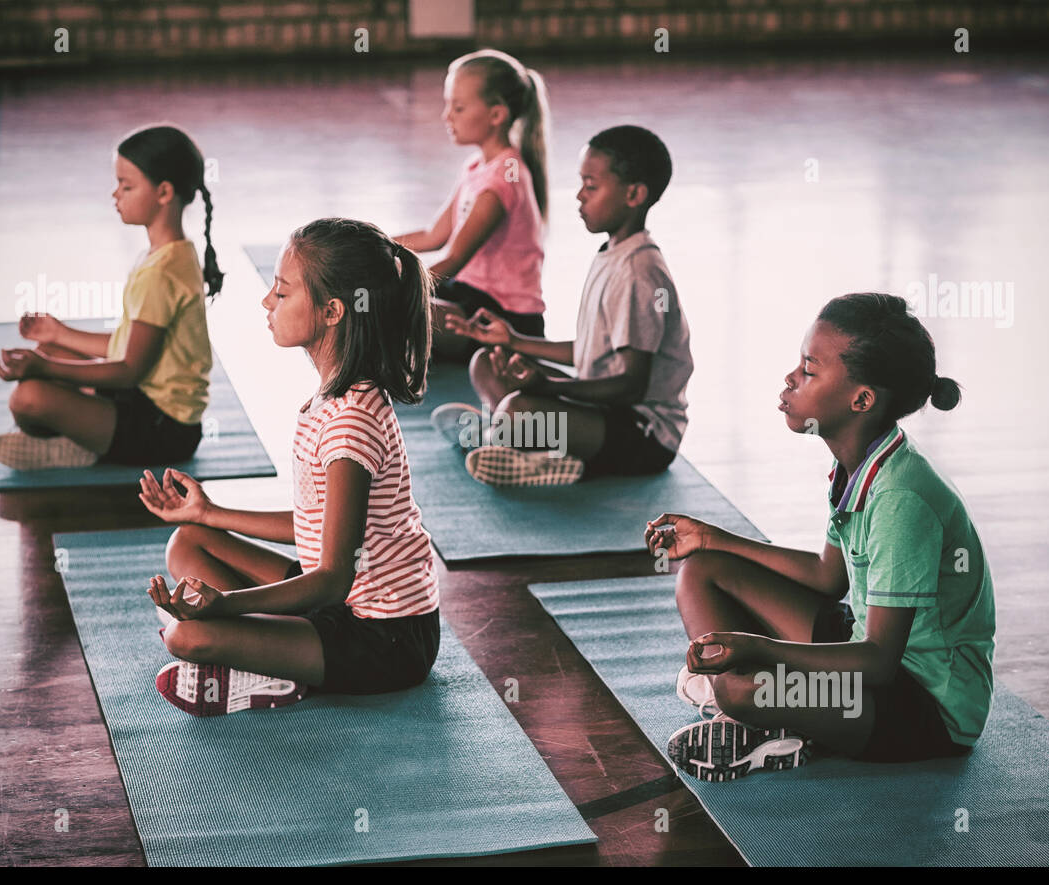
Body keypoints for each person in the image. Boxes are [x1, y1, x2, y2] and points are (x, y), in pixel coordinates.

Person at [646, 293, 995, 780]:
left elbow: (879, 663)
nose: (791, 378)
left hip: (925, 707)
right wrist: (711, 538)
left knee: (741, 689)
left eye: (809, 370)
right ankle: (777, 718)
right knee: (702, 570)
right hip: (866, 649)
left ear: (862, 400)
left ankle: (763, 716)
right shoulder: (859, 462)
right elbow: (829, 577)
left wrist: (760, 651)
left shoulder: (903, 498)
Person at [141, 218, 440, 716]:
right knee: (188, 541)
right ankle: (262, 648)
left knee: (186, 636)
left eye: (281, 292)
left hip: (384, 638)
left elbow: (332, 578)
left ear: (332, 311)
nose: (267, 302)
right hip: (338, 598)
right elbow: (316, 528)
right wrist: (208, 513)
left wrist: (226, 605)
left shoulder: (351, 424)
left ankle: (270, 668)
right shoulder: (334, 397)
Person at [437, 125, 691, 487]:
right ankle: (514, 441)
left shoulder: (638, 272)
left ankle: (511, 441)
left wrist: (550, 387)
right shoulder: (614, 253)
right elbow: (591, 352)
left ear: (634, 194)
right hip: (605, 411)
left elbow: (631, 387)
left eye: (591, 186)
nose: (579, 196)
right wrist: (513, 340)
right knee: (486, 363)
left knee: (520, 409)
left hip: (643, 436)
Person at [0, 125, 222, 470]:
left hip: (164, 431)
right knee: (50, 351)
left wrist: (44, 367)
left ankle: (77, 446)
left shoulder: (160, 274)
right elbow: (128, 347)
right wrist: (59, 334)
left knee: (27, 399)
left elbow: (128, 370)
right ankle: (82, 434)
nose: (116, 194)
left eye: (126, 186)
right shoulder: (172, 253)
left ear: (163, 192)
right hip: (143, 401)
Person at [392, 49, 549, 362]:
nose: (446, 115)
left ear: (496, 115)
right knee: (377, 292)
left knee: (384, 306)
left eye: (459, 107)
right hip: (465, 294)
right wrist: (372, 245)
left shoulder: (504, 179)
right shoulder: (476, 167)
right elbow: (433, 235)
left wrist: (394, 288)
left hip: (502, 318)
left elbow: (454, 258)